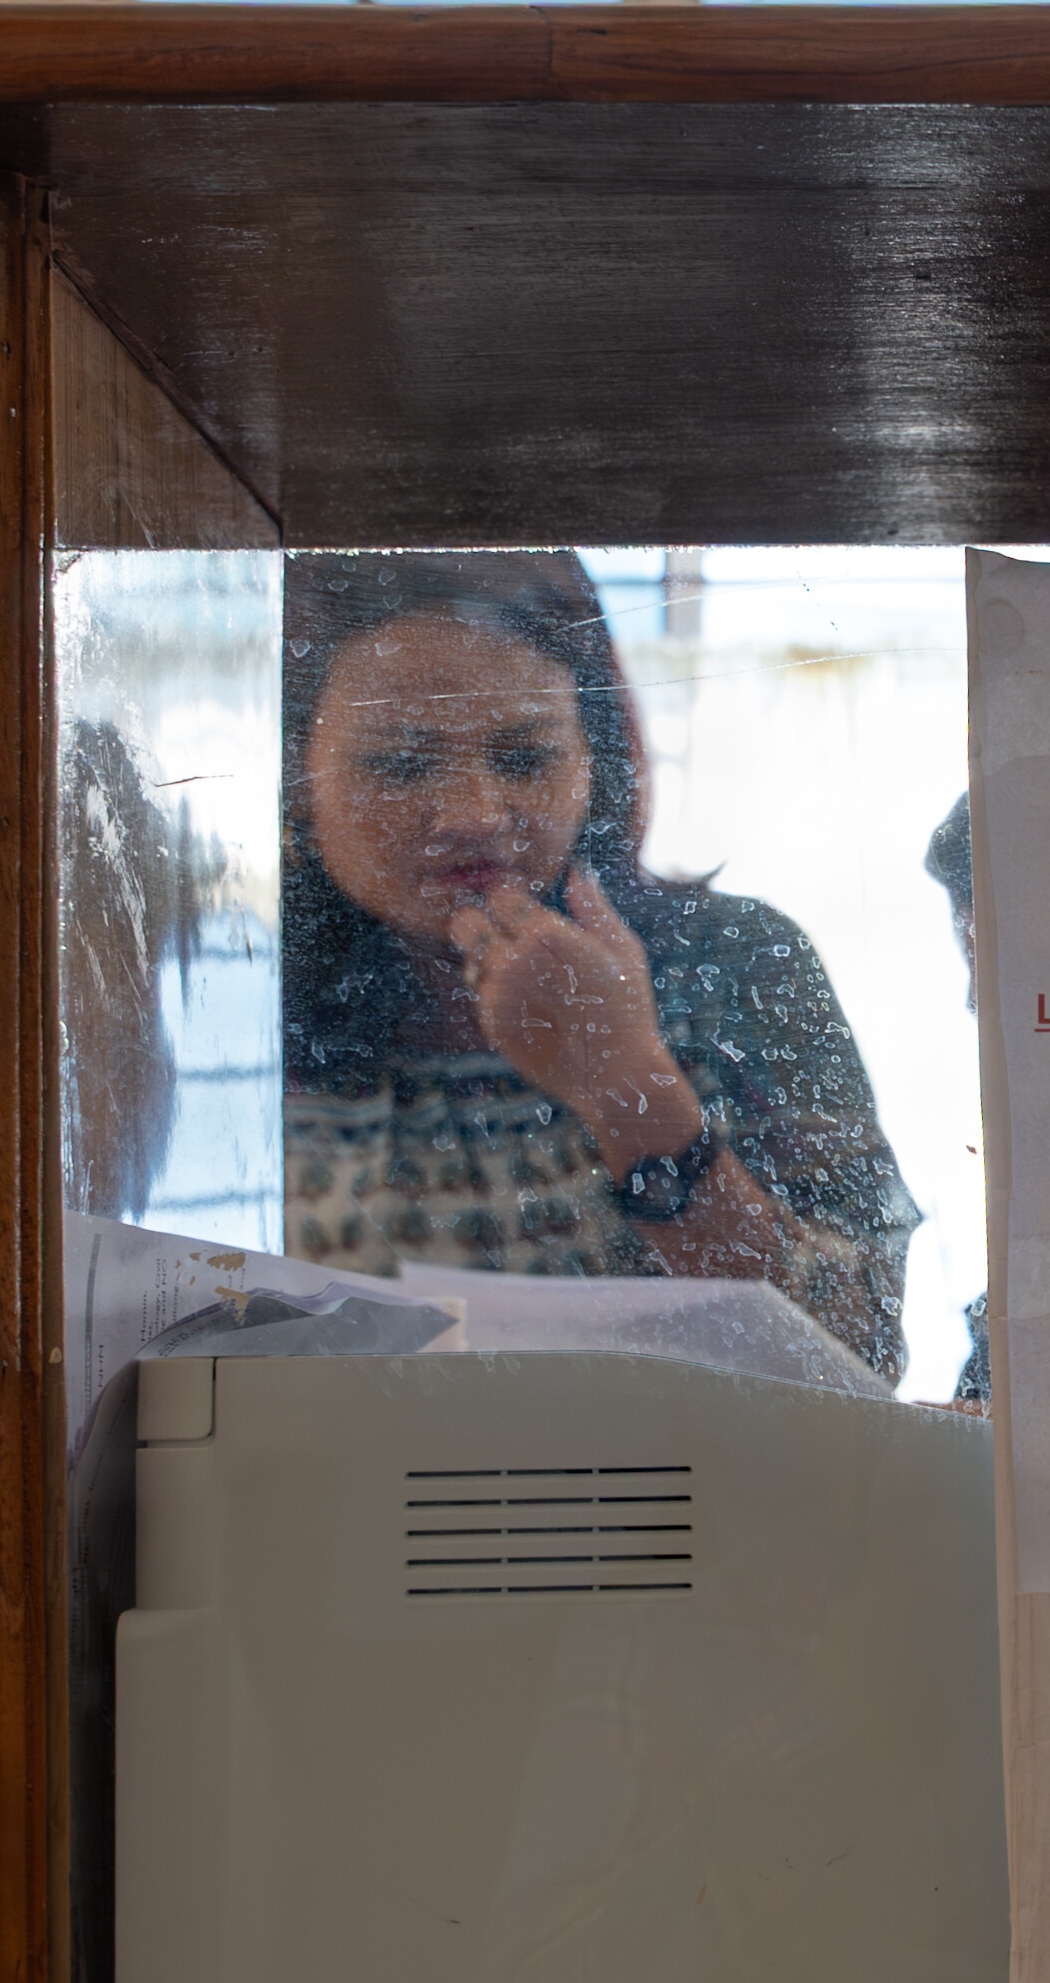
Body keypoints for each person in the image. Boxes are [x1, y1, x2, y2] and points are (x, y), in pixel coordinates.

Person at [278, 553, 913, 1379]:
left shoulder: (733, 964)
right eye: (401, 765)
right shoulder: (247, 1001)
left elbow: (864, 1356)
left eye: (525, 757)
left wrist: (629, 1085)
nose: (474, 813)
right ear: (297, 773)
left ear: (594, 755)